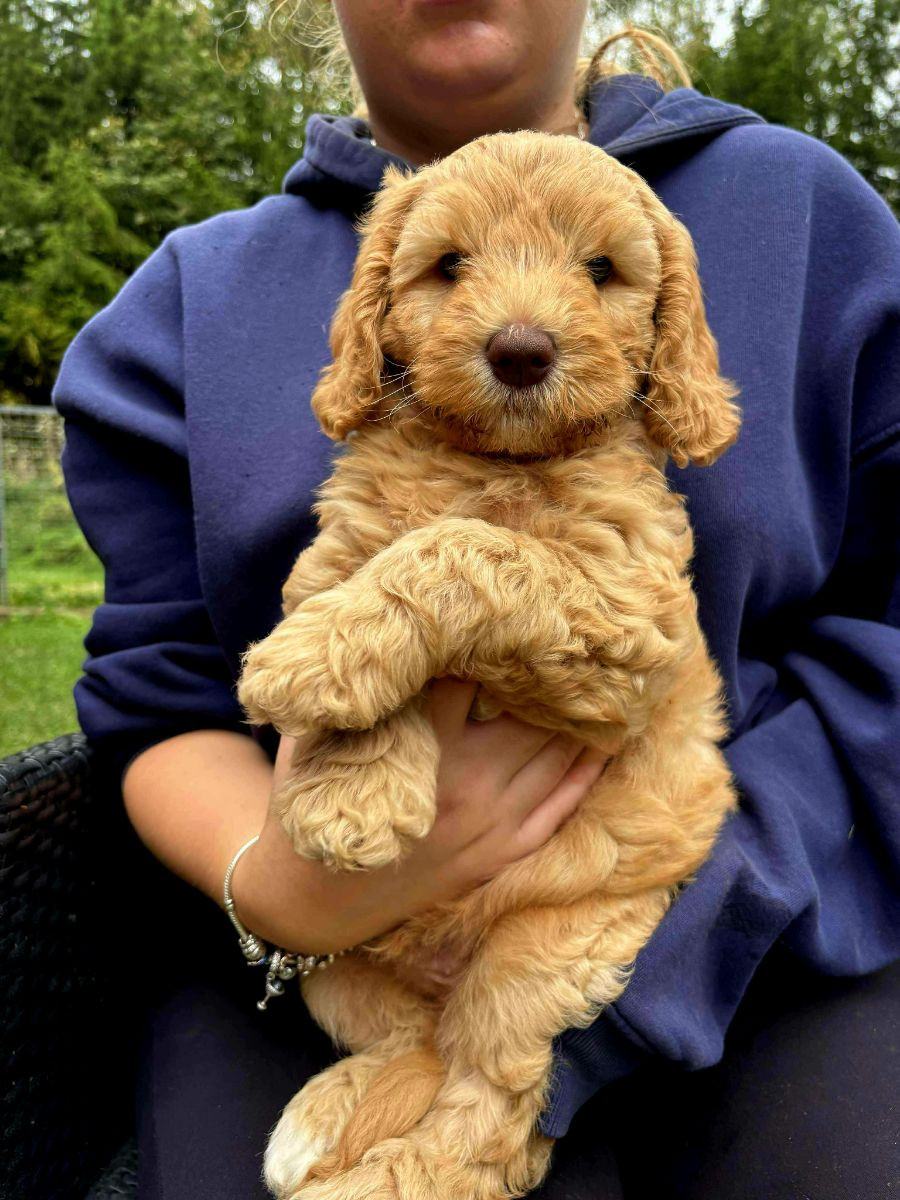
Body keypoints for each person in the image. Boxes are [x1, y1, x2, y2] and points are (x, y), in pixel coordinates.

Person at [54, 2, 900, 1197]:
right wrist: (286, 886)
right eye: (450, 269)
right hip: (319, 955)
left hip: (775, 931)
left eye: (596, 274)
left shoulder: (808, 214)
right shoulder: (188, 295)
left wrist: (685, 914)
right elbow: (154, 694)